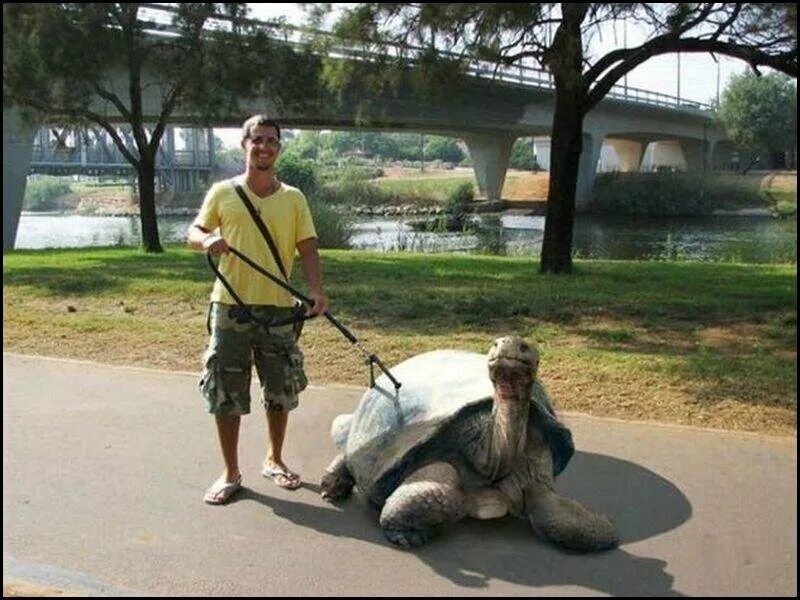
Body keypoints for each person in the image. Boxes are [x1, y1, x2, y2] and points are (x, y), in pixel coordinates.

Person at [188, 114, 329, 504]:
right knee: (225, 390)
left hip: (279, 310)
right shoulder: (222, 192)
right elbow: (193, 232)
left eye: (271, 141)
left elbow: (308, 248)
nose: (264, 147)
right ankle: (231, 472)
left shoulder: (294, 198)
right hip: (229, 307)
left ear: (278, 149)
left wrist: (317, 291)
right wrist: (207, 241)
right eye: (257, 140)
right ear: (244, 146)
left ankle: (275, 459)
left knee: (280, 388)